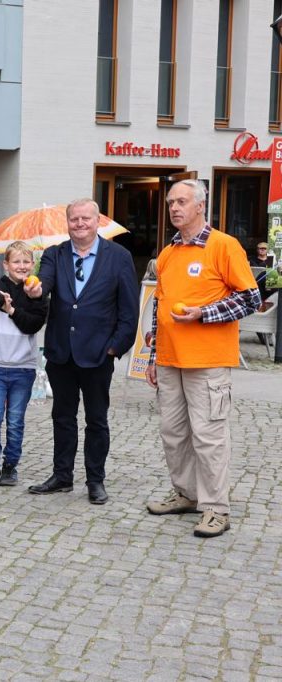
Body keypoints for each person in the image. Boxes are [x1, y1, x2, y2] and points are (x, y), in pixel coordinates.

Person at [145, 179, 260, 538]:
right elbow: (159, 307)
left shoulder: (223, 246)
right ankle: (187, 494)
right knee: (173, 434)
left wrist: (203, 313)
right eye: (170, 203)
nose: (175, 208)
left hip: (208, 361)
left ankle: (216, 509)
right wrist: (152, 356)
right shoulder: (168, 253)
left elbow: (251, 298)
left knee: (209, 437)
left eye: (181, 202)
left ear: (200, 206)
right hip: (169, 360)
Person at [25, 198, 139, 505]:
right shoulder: (54, 254)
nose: (79, 224)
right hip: (61, 353)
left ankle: (95, 480)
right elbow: (44, 283)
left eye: (85, 219)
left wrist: (115, 349)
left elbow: (129, 310)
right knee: (62, 417)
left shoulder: (119, 257)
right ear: (68, 223)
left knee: (96, 420)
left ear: (97, 221)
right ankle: (62, 476)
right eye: (74, 219)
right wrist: (36, 291)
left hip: (98, 354)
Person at [0, 241, 48, 487]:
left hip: (22, 369)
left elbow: (31, 324)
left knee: (15, 421)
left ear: (33, 265)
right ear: (6, 264)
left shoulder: (37, 293)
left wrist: (12, 310)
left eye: (26, 262)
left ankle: (10, 466)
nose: (22, 266)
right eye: (16, 261)